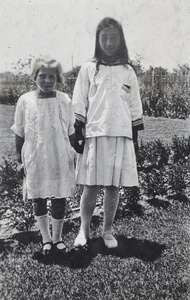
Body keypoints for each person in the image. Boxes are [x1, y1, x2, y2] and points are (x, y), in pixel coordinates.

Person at [72, 17, 144, 249]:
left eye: (114, 38)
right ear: (97, 40)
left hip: (120, 134)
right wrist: (78, 129)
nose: (109, 42)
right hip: (95, 132)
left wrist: (134, 136)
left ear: (121, 40)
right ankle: (83, 231)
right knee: (91, 185)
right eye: (105, 38)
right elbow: (80, 100)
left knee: (113, 186)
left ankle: (107, 230)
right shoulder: (89, 68)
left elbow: (134, 105)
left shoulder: (127, 71)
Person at [11, 56, 76, 255]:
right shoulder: (25, 100)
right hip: (35, 156)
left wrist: (73, 155)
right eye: (42, 76)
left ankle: (57, 239)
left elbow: (71, 130)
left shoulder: (64, 100)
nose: (47, 80)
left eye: (52, 77)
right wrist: (19, 161)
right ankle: (46, 239)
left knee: (59, 197)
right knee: (38, 197)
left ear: (58, 79)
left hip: (59, 155)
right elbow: (19, 131)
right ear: (34, 77)